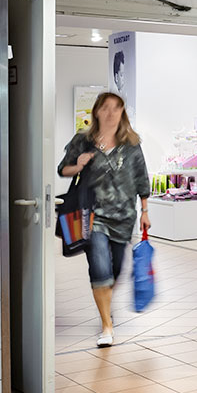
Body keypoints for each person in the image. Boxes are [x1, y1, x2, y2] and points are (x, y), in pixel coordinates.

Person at [58, 92, 150, 348]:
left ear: (122, 113)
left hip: (124, 217)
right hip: (92, 215)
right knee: (100, 268)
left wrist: (145, 210)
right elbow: (62, 169)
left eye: (116, 108)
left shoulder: (131, 143)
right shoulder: (83, 141)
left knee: (116, 269)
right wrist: (78, 165)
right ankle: (106, 325)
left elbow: (142, 177)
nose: (111, 113)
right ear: (96, 112)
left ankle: (106, 305)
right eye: (106, 108)